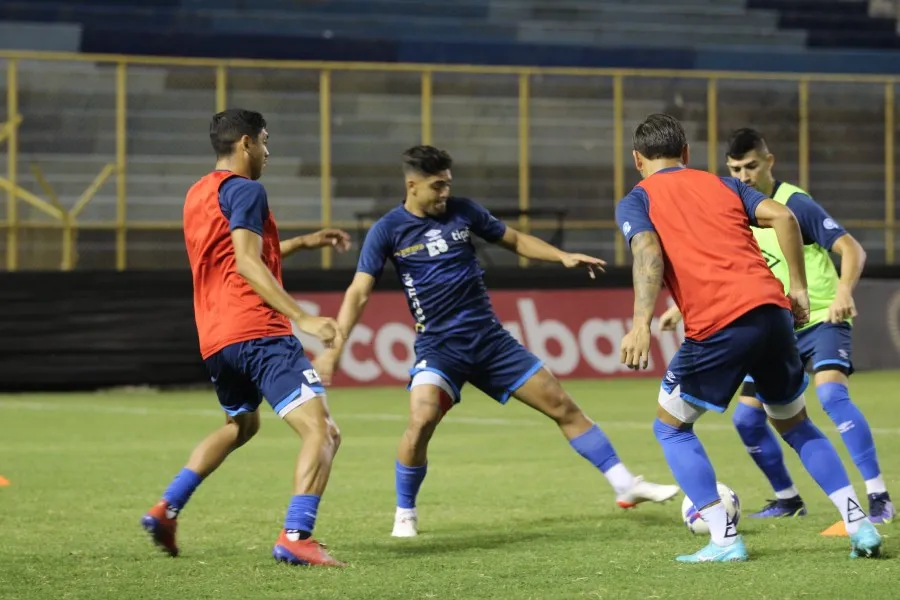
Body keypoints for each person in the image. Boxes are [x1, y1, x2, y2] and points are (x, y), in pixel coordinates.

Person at [314, 144, 679, 539]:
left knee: (562, 405)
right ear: (412, 185)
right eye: (437, 186)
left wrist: (562, 257)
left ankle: (624, 483)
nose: (445, 194)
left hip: (490, 343)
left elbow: (517, 240)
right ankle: (405, 512)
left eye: (448, 185)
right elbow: (358, 292)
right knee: (420, 422)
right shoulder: (388, 230)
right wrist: (335, 350)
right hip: (439, 349)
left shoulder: (464, 212)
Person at [616, 113, 882, 562]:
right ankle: (860, 524)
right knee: (796, 423)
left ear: (637, 159)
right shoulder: (724, 184)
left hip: (720, 323)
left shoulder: (637, 200)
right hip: (774, 315)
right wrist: (797, 288)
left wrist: (640, 322)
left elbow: (647, 252)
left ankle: (723, 538)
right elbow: (783, 217)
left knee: (671, 427)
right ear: (686, 154)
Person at [141, 109, 351, 567]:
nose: (268, 152)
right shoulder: (249, 189)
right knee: (324, 432)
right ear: (245, 144)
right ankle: (296, 535)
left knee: (242, 424)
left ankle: (166, 508)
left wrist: (302, 242)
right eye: (265, 141)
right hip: (258, 330)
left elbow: (232, 253)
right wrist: (302, 317)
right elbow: (246, 263)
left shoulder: (198, 194)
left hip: (217, 338)